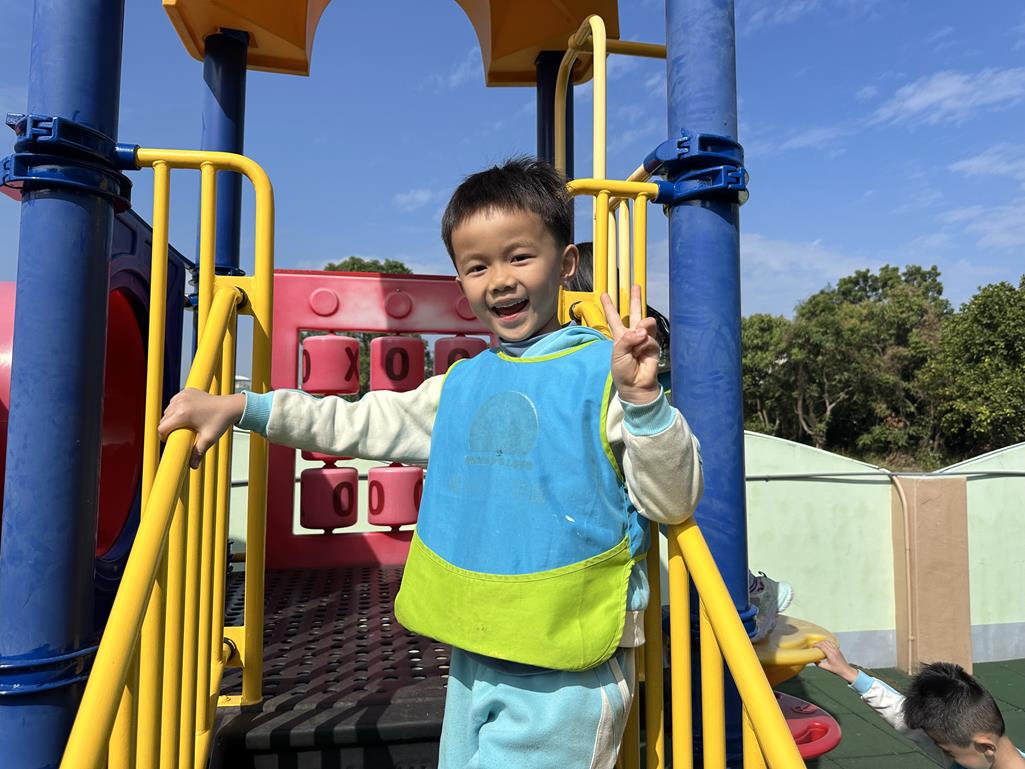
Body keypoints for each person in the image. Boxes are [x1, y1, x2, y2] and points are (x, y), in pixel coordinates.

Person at [158, 157, 704, 769]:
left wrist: (644, 403)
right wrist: (244, 407)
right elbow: (358, 421)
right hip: (475, 646)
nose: (499, 280)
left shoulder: (605, 375)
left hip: (567, 661)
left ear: (566, 263)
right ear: (460, 282)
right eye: (477, 266)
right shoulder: (461, 386)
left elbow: (672, 500)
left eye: (520, 256)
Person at [566, 241, 792, 642]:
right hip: (651, 438)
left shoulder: (612, 332)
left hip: (660, 437)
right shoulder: (621, 327)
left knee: (686, 524)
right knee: (681, 528)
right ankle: (741, 591)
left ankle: (751, 594)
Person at [814, 640, 1025, 768]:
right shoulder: (972, 752)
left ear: (986, 747)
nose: (942, 753)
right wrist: (850, 674)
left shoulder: (968, 753)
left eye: (949, 752)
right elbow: (901, 715)